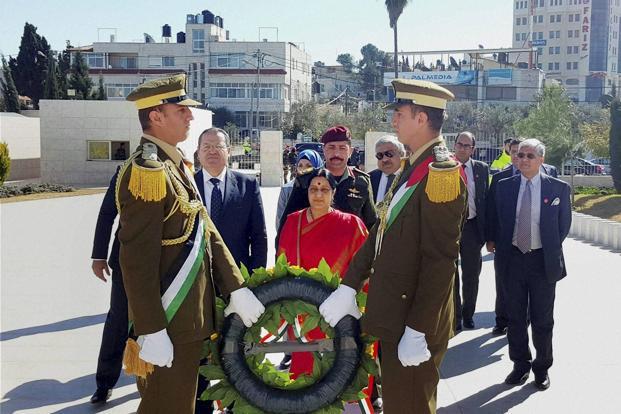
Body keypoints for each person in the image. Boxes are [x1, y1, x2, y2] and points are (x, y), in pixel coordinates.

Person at [118, 74, 265, 413]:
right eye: (180, 109)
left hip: (188, 321)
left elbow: (206, 231)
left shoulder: (175, 165)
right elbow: (136, 261)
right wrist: (151, 329)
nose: (189, 115)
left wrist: (237, 288)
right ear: (156, 115)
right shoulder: (148, 171)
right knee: (164, 406)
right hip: (167, 322)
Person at [319, 79, 467, 414]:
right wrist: (348, 286)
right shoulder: (414, 166)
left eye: (400, 113)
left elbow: (440, 260)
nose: (394, 120)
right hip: (396, 315)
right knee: (399, 404)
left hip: (414, 318)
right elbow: (380, 231)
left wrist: (419, 327)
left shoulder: (440, 172)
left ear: (421, 118)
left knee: (410, 405)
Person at [488, 139, 571, 391]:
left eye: (530, 155)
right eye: (520, 155)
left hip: (542, 261)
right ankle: (520, 365)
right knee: (515, 317)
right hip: (512, 260)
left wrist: (547, 248)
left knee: (542, 319)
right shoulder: (504, 186)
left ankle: (542, 367)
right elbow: (495, 218)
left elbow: (563, 226)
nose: (524, 159)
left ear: (541, 160)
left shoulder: (558, 189)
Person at [277, 169, 369, 376]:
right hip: (303, 313)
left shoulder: (352, 225)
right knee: (305, 376)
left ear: (334, 193)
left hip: (338, 312)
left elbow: (365, 269)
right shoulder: (293, 221)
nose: (318, 195)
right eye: (313, 189)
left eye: (324, 189)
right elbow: (282, 266)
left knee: (339, 376)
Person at [278, 125, 377, 237]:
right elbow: (287, 224)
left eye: (342, 148)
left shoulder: (362, 182)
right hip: (313, 250)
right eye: (331, 147)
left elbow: (371, 225)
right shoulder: (306, 179)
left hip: (350, 251)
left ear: (351, 151)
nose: (336, 154)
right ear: (324, 150)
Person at [195, 127, 268, 271]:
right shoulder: (187, 184)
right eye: (207, 146)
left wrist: (256, 278)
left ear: (228, 151)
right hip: (195, 276)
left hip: (236, 274)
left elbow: (259, 236)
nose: (212, 151)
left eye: (218, 146)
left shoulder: (247, 185)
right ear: (198, 152)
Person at [90, 167, 127, 405]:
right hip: (125, 261)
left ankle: (152, 380)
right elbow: (107, 213)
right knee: (118, 321)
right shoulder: (125, 171)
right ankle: (104, 383)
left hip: (167, 265)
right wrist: (99, 255)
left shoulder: (180, 168)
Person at [452, 131, 489, 331]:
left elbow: (486, 201)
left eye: (467, 146)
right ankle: (456, 316)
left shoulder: (481, 169)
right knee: (452, 275)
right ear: (454, 145)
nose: (462, 148)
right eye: (460, 144)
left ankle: (468, 314)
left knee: (471, 275)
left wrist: (488, 235)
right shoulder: (445, 168)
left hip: (473, 228)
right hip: (450, 229)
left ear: (473, 149)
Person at [276, 149, 323, 228]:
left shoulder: (323, 189)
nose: (303, 170)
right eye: (300, 165)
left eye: (309, 166)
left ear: (317, 167)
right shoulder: (287, 189)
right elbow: (280, 221)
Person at [369, 135, 406, 203]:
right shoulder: (369, 179)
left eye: (389, 154)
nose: (384, 159)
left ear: (402, 154)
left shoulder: (409, 178)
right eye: (380, 155)